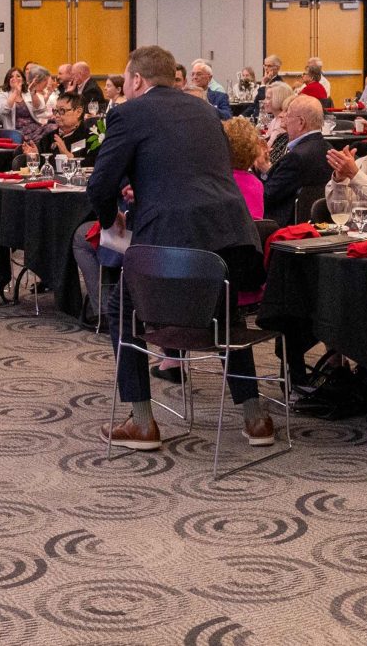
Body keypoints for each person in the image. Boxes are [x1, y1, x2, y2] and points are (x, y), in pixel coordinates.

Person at [93, 47, 266, 452]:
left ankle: (141, 422)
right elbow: (196, 172)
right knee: (225, 313)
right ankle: (257, 419)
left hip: (171, 238)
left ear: (135, 80)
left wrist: (109, 220)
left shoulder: (127, 113)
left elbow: (101, 184)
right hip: (233, 235)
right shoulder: (205, 110)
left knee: (121, 309)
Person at [264, 94, 331, 223]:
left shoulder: (296, 158)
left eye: (288, 116)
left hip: (283, 226)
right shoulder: (329, 148)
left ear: (301, 122)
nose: (285, 120)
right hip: (315, 224)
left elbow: (267, 196)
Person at [22, 94, 98, 164]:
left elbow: (95, 164)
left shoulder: (91, 138)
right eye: (55, 111)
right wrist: (35, 158)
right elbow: (42, 168)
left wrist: (69, 157)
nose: (57, 115)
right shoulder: (48, 138)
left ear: (78, 112)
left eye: (62, 110)